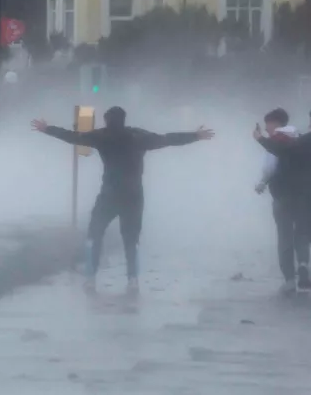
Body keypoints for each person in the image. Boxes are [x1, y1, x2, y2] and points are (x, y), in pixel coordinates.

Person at [32, 106, 214, 292]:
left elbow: (73, 137)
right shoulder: (138, 136)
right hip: (133, 195)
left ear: (106, 120)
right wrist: (195, 136)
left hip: (109, 194)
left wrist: (47, 129)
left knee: (95, 233)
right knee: (131, 239)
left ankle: (91, 276)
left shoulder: (102, 136)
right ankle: (132, 278)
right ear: (124, 119)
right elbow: (168, 139)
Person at [253, 111, 310, 292]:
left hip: (282, 194)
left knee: (284, 235)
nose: (267, 128)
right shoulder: (301, 138)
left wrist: (262, 182)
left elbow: (270, 166)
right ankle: (303, 264)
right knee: (302, 233)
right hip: (304, 195)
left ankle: (289, 280)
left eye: (268, 124)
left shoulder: (277, 140)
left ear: (275, 123)